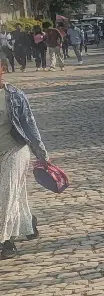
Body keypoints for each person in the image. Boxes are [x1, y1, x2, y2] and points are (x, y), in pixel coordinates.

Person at [0, 60, 48, 259]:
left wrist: (42, 154)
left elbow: (29, 126)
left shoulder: (14, 96)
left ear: (2, 69)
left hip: (15, 148)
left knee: (7, 194)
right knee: (13, 193)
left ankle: (6, 242)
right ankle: (27, 222)